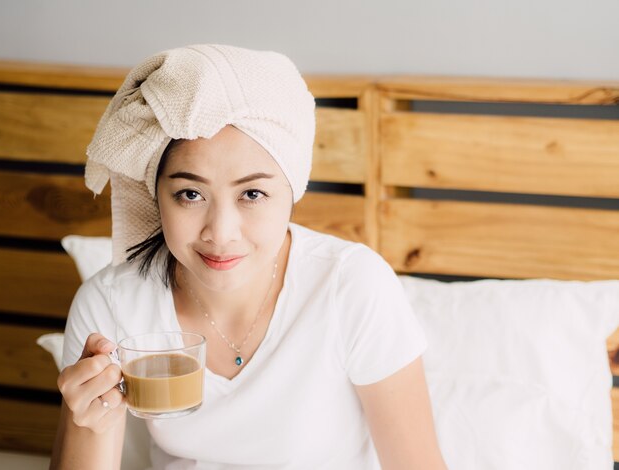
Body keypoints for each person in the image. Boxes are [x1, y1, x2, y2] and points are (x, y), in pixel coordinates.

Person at [51, 44, 447, 470]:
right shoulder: (112, 303)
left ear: (291, 191)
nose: (220, 232)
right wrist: (87, 421)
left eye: (252, 194)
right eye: (190, 194)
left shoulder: (350, 285)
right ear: (157, 196)